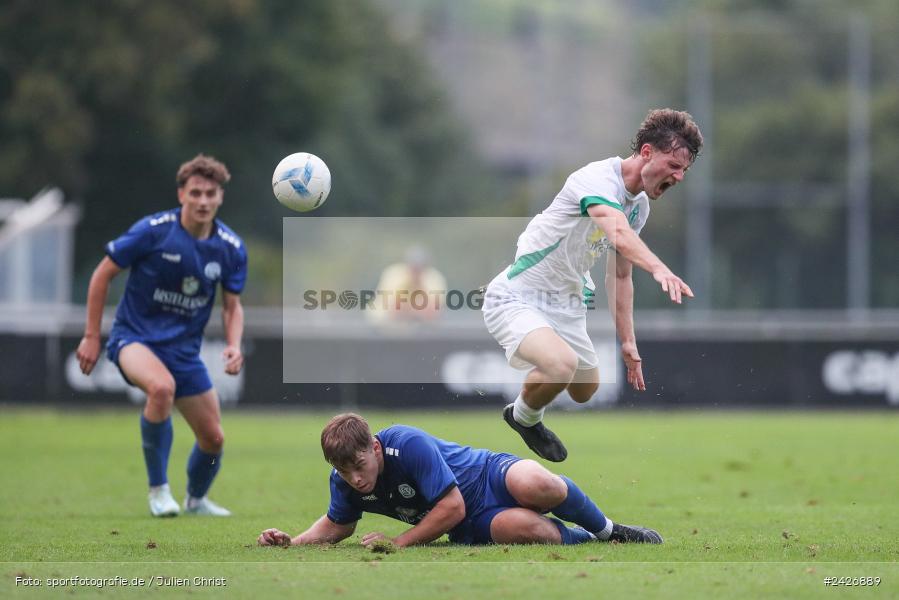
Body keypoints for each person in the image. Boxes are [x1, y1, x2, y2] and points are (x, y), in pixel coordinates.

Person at [482, 109, 703, 462]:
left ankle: (525, 404)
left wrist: (628, 342)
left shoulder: (639, 206)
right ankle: (524, 417)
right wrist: (659, 268)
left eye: (684, 171)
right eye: (674, 165)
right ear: (647, 152)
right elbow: (614, 228)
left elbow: (619, 275)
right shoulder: (596, 178)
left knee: (586, 389)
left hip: (566, 303)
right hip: (518, 295)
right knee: (560, 365)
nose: (678, 177)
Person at [75, 154, 247, 517]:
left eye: (210, 193)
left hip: (183, 352)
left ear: (220, 198)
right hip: (134, 339)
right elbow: (102, 275)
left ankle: (196, 501)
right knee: (161, 388)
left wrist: (233, 344)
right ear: (181, 193)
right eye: (195, 192)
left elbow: (232, 306)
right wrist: (92, 335)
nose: (203, 201)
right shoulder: (153, 230)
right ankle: (158, 492)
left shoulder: (230, 248)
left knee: (214, 439)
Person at [257, 413, 661, 548]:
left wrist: (398, 544)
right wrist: (292, 542)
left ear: (376, 448)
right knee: (525, 528)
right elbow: (338, 523)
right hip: (469, 523)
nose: (354, 478)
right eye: (344, 471)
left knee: (540, 484)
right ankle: (583, 540)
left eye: (359, 465)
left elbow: (451, 503)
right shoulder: (344, 478)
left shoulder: (406, 443)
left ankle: (610, 532)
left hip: (486, 475)